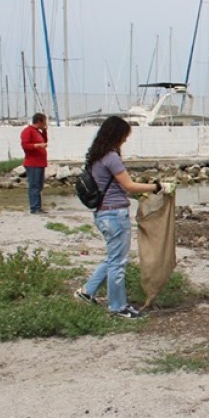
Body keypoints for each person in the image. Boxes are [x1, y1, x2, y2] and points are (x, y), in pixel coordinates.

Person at [74, 116, 172, 319]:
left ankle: (87, 292)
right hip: (115, 215)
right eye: (125, 136)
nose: (125, 141)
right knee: (118, 263)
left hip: (103, 213)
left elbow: (117, 187)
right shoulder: (111, 157)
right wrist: (157, 187)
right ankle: (118, 307)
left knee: (113, 258)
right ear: (117, 135)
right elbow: (128, 185)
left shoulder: (95, 157)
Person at [20, 112, 49, 214]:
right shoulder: (28, 131)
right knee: (34, 186)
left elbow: (44, 141)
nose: (45, 123)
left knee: (39, 186)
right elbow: (25, 145)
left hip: (40, 163)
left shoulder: (37, 131)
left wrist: (44, 132)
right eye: (44, 121)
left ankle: (38, 207)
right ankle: (34, 207)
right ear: (39, 121)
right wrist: (37, 146)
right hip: (33, 163)